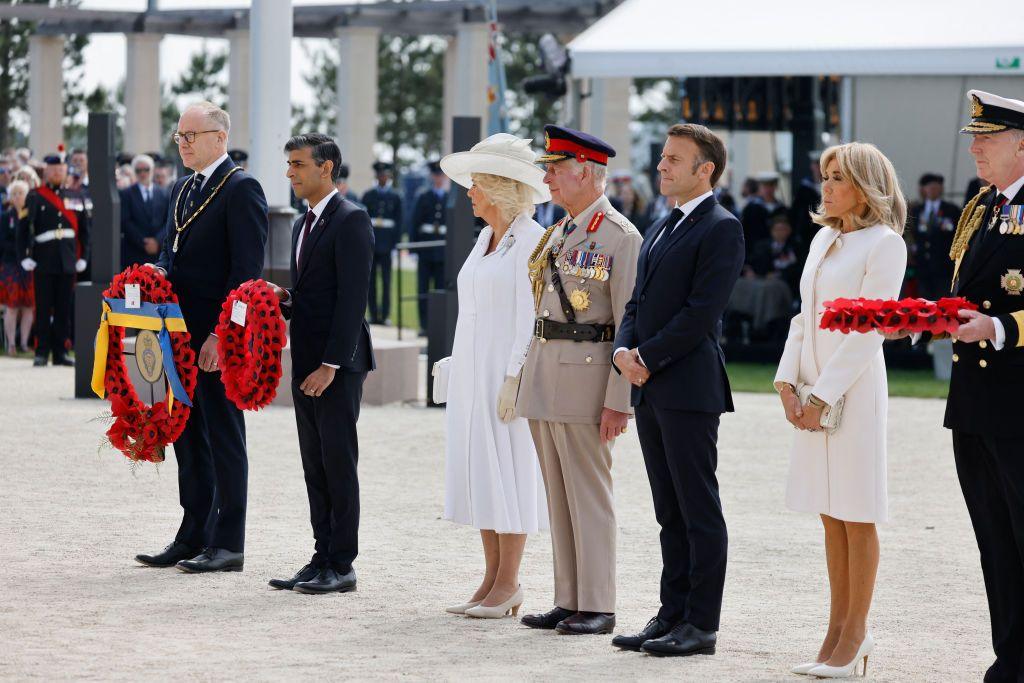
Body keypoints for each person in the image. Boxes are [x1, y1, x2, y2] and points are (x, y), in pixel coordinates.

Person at [774, 142, 907, 678]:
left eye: (837, 178)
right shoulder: (823, 238)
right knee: (830, 515)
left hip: (853, 389)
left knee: (857, 512)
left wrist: (825, 394)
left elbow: (871, 328)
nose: (825, 186)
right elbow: (803, 317)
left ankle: (856, 635)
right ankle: (833, 630)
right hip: (811, 386)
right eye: (824, 175)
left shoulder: (885, 244)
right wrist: (787, 383)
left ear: (865, 185)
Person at [611, 123, 744, 657]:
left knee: (697, 507)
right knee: (668, 508)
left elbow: (701, 314)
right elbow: (637, 303)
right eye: (663, 157)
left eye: (673, 159)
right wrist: (623, 351)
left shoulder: (721, 227)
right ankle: (671, 612)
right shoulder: (663, 224)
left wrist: (646, 356)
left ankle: (701, 624)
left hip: (688, 387)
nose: (661, 166)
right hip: (649, 386)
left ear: (704, 169)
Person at [516, 125, 642, 636]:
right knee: (558, 494)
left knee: (588, 494)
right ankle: (569, 597)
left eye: (555, 169)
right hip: (548, 375)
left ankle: (600, 602)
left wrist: (620, 400)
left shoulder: (620, 235)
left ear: (586, 173)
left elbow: (629, 323)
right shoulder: (562, 231)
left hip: (589, 382)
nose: (548, 179)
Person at [135, 101, 268, 574]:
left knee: (224, 437)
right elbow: (174, 253)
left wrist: (220, 333)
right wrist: (154, 273)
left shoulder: (242, 188)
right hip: (177, 336)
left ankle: (228, 541)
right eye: (179, 137)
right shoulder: (183, 188)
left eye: (191, 135)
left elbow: (246, 274)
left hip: (217, 340)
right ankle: (192, 534)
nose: (184, 144)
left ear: (219, 137)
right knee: (188, 435)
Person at [436, 133, 550, 619]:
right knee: (481, 471)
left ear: (500, 187)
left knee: (511, 471)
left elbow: (532, 317)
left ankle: (509, 583)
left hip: (507, 377)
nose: (469, 192)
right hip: (473, 372)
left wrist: (513, 376)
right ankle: (490, 578)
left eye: (476, 183)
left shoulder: (531, 240)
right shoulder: (485, 238)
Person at [938, 90, 1024, 683]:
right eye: (975, 138)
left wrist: (996, 326)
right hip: (974, 401)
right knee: (994, 539)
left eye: (987, 139)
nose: (975, 148)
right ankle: (1011, 657)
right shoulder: (984, 207)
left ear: (1022, 144)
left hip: (1018, 401)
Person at [266, 134, 375, 595]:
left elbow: (352, 300)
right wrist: (285, 299)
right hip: (307, 360)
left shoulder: (351, 219)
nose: (290, 172)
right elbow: (316, 293)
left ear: (326, 168)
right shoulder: (301, 224)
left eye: (297, 164)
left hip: (336, 365)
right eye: (288, 164)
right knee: (314, 463)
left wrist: (331, 364)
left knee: (337, 461)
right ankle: (321, 554)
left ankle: (342, 564)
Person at [15, 152, 90, 367]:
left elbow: (85, 231)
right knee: (43, 307)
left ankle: (60, 352)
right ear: (46, 171)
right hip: (43, 260)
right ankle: (41, 351)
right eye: (53, 169)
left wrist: (83, 256)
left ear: (66, 171)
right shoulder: (35, 196)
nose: (57, 172)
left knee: (63, 309)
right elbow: (23, 230)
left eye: (61, 169)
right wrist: (24, 257)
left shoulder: (75, 195)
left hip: (67, 260)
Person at [907, 173, 961, 300]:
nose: (932, 190)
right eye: (929, 187)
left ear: (941, 189)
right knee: (924, 302)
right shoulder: (917, 210)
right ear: (924, 190)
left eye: (936, 187)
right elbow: (912, 234)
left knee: (943, 302)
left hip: (944, 267)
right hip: (922, 267)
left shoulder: (951, 210)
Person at [362, 161, 402, 325]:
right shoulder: (369, 195)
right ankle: (373, 314)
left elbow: (399, 223)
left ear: (389, 176)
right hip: (371, 244)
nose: (382, 178)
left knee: (386, 281)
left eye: (384, 175)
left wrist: (396, 245)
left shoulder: (395, 196)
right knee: (370, 282)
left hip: (387, 244)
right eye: (379, 175)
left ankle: (385, 315)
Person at [410, 161, 448, 335]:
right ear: (432, 176)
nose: (438, 179)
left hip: (442, 252)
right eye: (436, 175)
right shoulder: (423, 197)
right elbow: (414, 223)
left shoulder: (448, 198)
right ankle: (424, 325)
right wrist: (413, 248)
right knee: (423, 289)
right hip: (425, 251)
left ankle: (438, 325)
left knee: (440, 289)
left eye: (441, 175)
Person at [0, 180, 34, 354]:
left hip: (28, 266)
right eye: (14, 193)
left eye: (21, 193)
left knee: (28, 306)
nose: (18, 196)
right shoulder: (6, 216)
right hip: (11, 265)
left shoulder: (31, 215)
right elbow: (3, 241)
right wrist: (20, 250)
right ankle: (11, 343)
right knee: (12, 306)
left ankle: (24, 343)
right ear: (10, 197)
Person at [120, 154, 170, 270]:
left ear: (152, 170)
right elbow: (125, 222)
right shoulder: (126, 194)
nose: (143, 173)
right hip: (134, 252)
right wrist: (143, 242)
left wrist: (157, 241)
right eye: (138, 170)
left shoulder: (164, 193)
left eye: (146, 169)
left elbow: (169, 220)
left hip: (159, 253)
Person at [740, 171, 787, 259]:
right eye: (765, 186)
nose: (768, 189)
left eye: (771, 186)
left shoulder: (781, 209)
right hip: (756, 256)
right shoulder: (751, 208)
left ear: (775, 187)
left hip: (778, 256)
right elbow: (745, 234)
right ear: (760, 187)